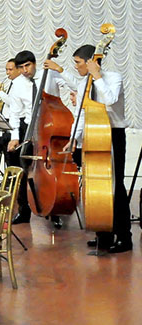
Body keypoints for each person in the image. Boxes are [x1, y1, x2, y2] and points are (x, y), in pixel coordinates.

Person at [52, 44, 131, 254]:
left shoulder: (113, 78)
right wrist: (73, 138)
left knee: (116, 186)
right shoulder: (82, 84)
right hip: (93, 133)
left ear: (90, 62)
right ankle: (103, 233)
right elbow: (81, 114)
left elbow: (110, 101)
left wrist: (97, 77)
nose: (76, 67)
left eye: (78, 63)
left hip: (113, 134)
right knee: (97, 184)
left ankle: (125, 237)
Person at [5, 50, 62, 224]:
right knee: (22, 168)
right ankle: (24, 211)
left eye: (27, 66)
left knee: (52, 168)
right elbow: (15, 113)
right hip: (28, 128)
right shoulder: (18, 84)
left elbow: (74, 87)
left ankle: (55, 210)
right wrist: (15, 136)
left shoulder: (50, 75)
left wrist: (60, 69)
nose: (25, 71)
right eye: (21, 67)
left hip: (49, 126)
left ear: (34, 64)